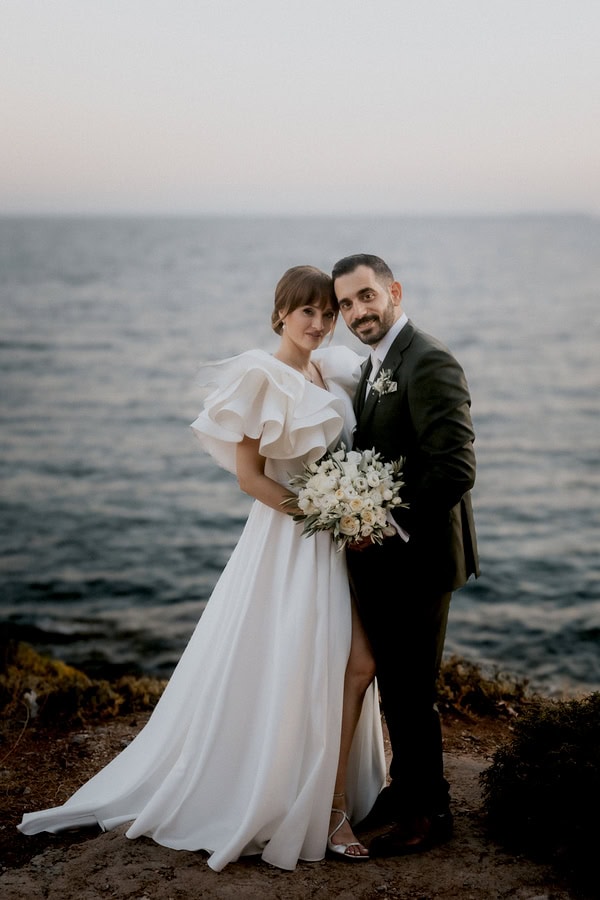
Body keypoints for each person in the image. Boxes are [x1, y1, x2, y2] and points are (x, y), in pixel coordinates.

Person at [18, 265, 386, 870]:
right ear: (280, 316)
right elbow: (250, 478)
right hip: (291, 539)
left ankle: (332, 794)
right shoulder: (261, 376)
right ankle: (315, 803)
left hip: (332, 540)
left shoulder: (330, 368)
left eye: (327, 313)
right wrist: (325, 511)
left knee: (351, 662)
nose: (319, 324)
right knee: (307, 662)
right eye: (307, 314)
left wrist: (349, 509)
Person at [331, 253, 479, 857]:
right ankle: (406, 786)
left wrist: (381, 520)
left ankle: (429, 813)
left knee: (413, 690)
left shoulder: (428, 359)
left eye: (366, 297)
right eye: (345, 304)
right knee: (395, 682)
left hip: (418, 558)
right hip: (388, 559)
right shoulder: (376, 362)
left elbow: (455, 468)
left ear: (392, 291)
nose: (356, 312)